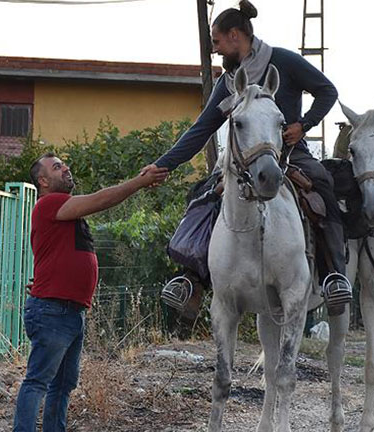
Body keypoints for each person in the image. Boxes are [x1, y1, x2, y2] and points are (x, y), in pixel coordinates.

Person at [146, 0, 352, 317]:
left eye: (216, 41)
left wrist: (304, 125)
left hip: (289, 152)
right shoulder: (228, 82)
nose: (214, 49)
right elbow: (201, 129)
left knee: (322, 185)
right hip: (242, 160)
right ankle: (191, 279)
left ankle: (333, 275)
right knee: (202, 194)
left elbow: (328, 91)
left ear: (235, 36)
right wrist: (163, 165)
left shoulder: (284, 61)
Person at [12, 153, 168, 432]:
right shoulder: (49, 203)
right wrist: (140, 182)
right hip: (53, 310)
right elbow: (101, 199)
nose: (66, 168)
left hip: (70, 312)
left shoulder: (65, 210)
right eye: (57, 167)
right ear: (43, 181)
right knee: (37, 382)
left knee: (62, 386)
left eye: (64, 164)